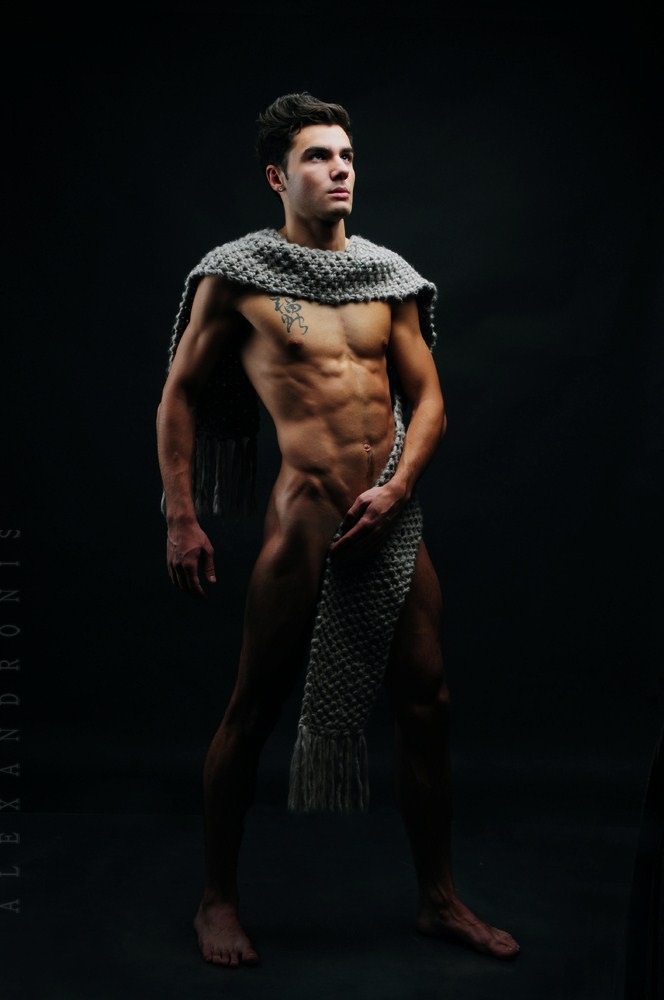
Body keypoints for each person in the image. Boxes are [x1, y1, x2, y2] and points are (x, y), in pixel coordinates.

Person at [156, 91, 520, 968]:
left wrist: (397, 491)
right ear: (278, 177)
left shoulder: (391, 278)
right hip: (304, 519)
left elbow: (429, 401)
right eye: (318, 157)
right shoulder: (236, 275)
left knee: (428, 706)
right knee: (252, 711)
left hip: (388, 518)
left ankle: (438, 899)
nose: (340, 169)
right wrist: (181, 514)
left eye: (347, 155)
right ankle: (216, 900)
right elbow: (179, 396)